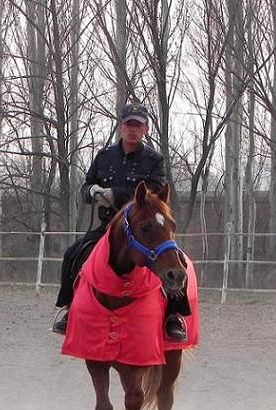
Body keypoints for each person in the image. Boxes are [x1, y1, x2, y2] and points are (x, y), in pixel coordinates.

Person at [51, 102, 188, 342]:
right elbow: (85, 186)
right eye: (128, 124)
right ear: (121, 127)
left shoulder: (153, 160)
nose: (132, 129)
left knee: (176, 261)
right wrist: (92, 191)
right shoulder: (104, 157)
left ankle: (173, 316)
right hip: (110, 228)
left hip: (146, 229)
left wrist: (116, 193)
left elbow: (155, 190)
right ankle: (69, 307)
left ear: (145, 129)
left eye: (138, 125)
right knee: (73, 252)